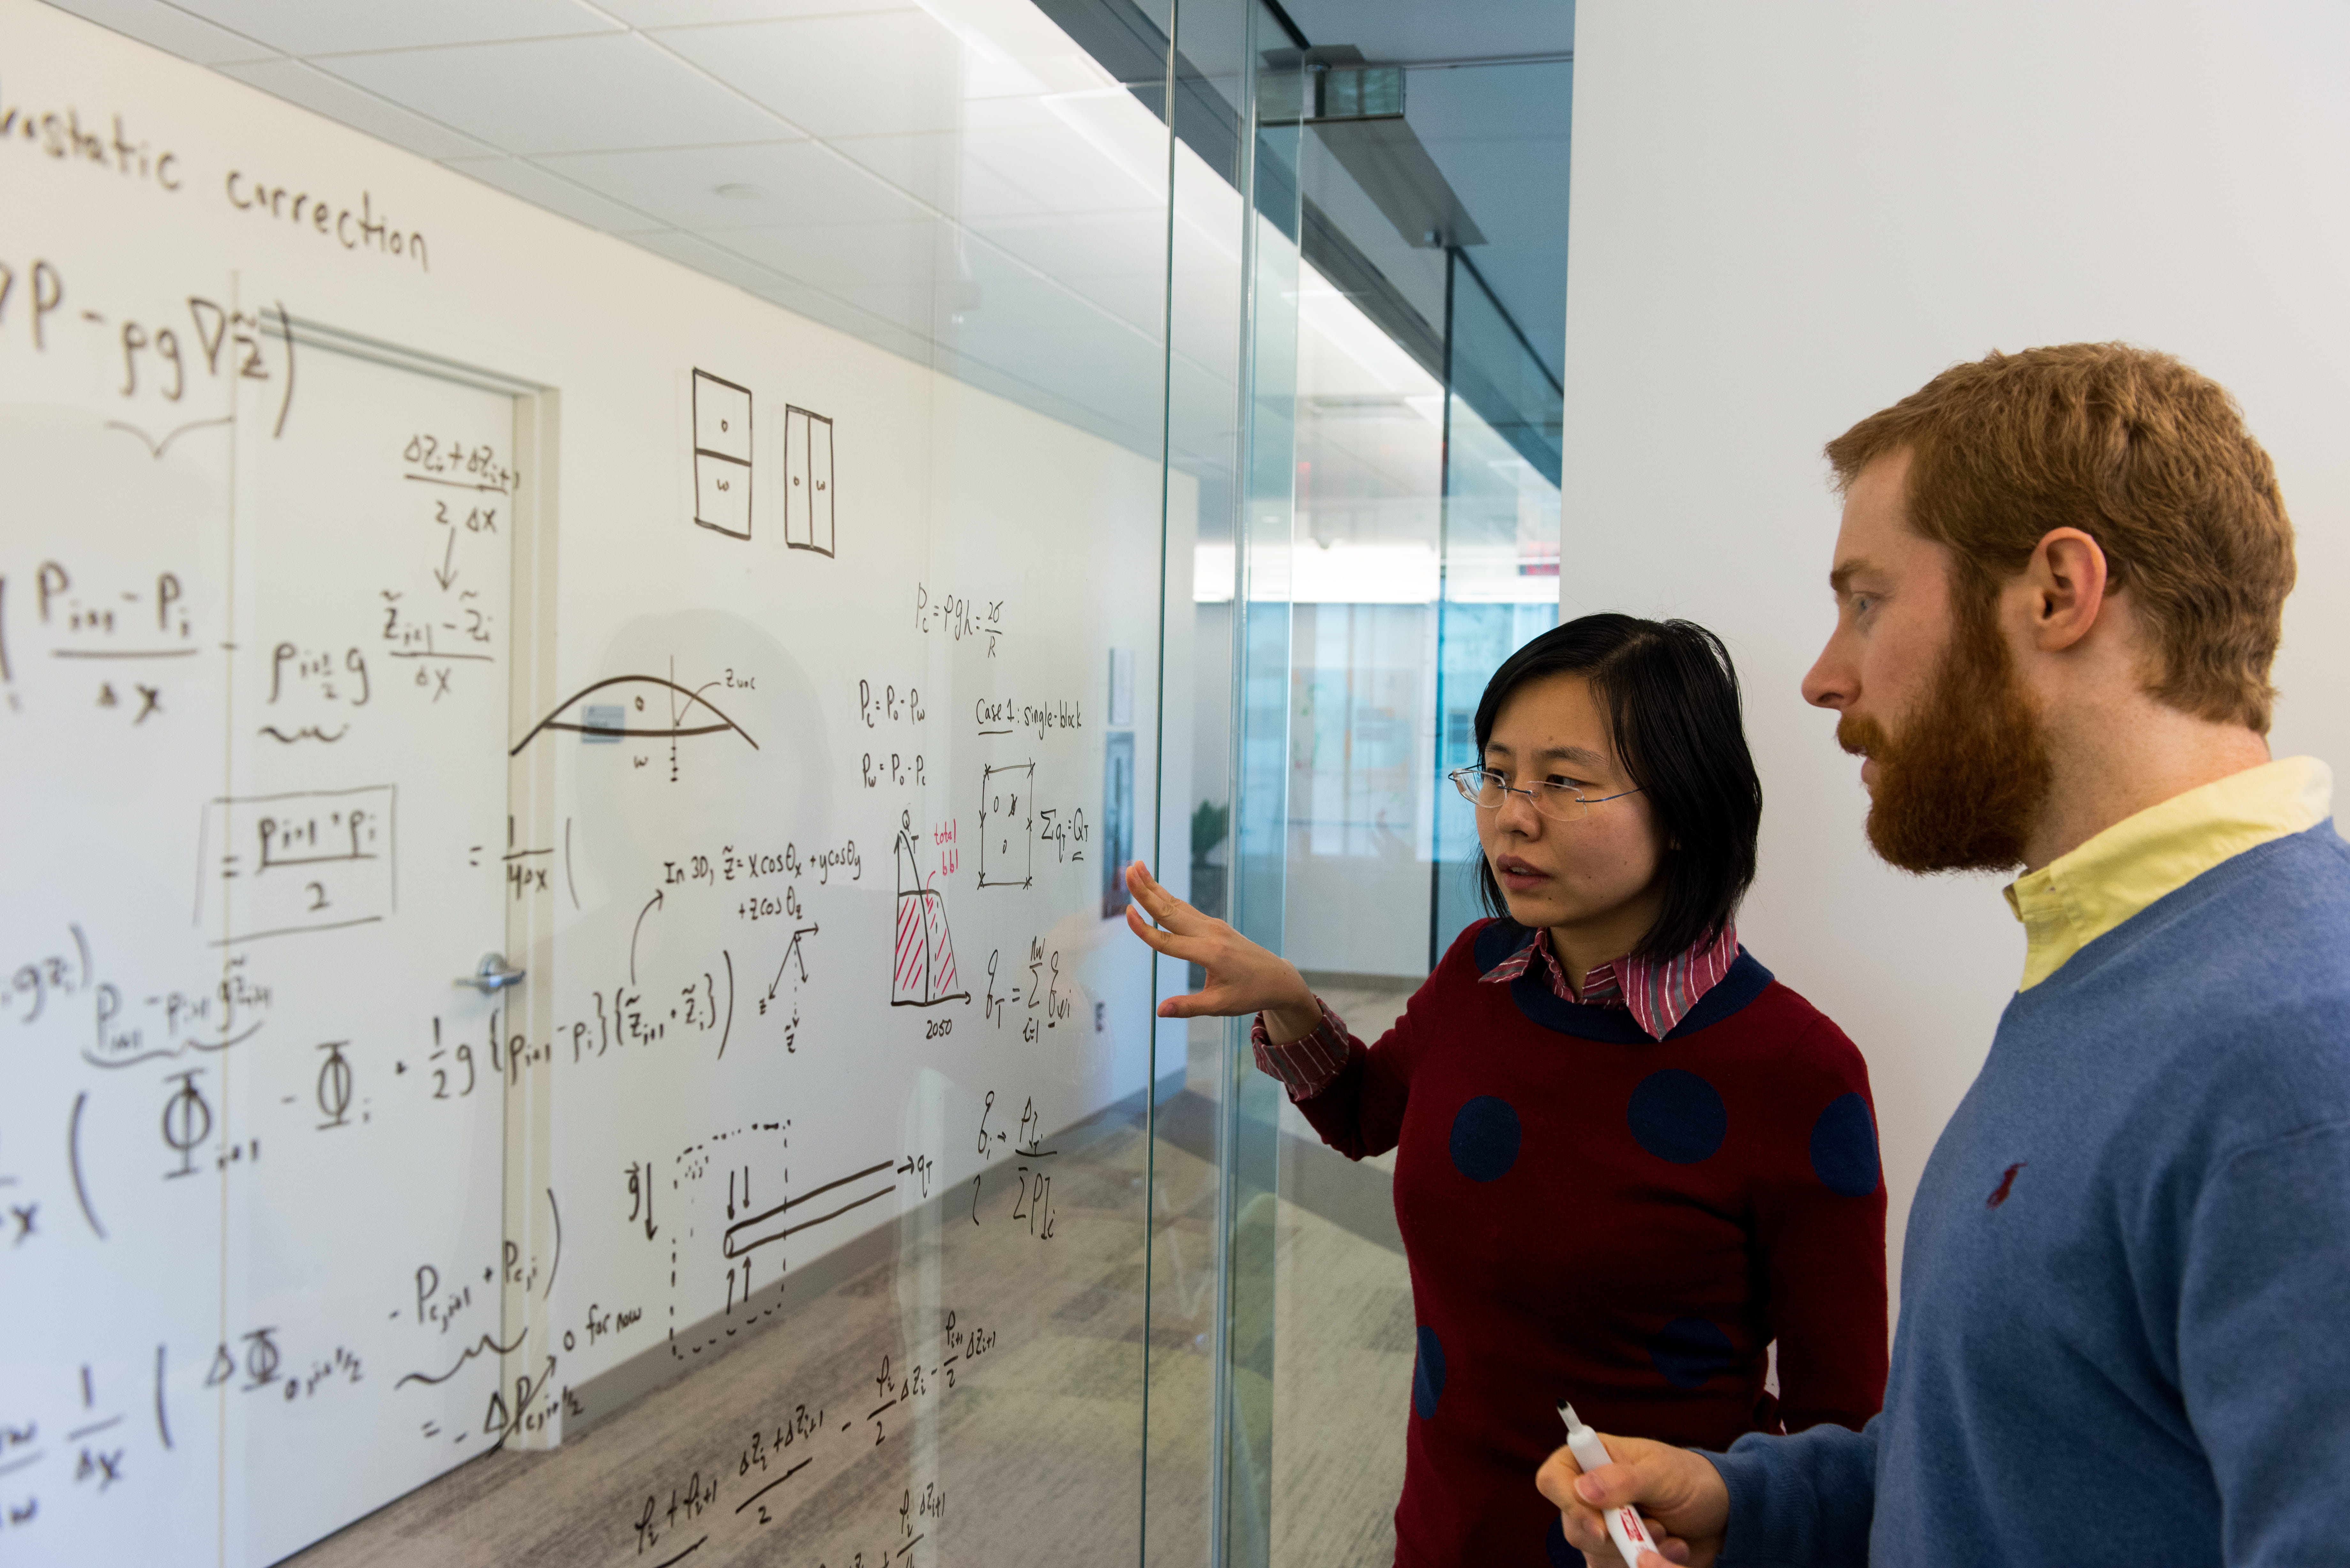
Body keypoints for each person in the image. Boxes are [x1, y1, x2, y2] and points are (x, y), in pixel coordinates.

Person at [1542, 343, 2350, 1567]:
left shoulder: (2301, 1052)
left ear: (2058, 591)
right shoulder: (2115, 967)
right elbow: (2025, 1458)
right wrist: (1753, 1504)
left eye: (1866, 600)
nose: (1825, 675)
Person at [1124, 614, 1890, 1567]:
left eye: (1564, 782)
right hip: (1445, 1530)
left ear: (1688, 808)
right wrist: (1287, 1001)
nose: (1512, 816)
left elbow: (1851, 1442)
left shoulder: (1796, 1068)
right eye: (1496, 773)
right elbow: (1367, 1114)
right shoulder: (1481, 973)